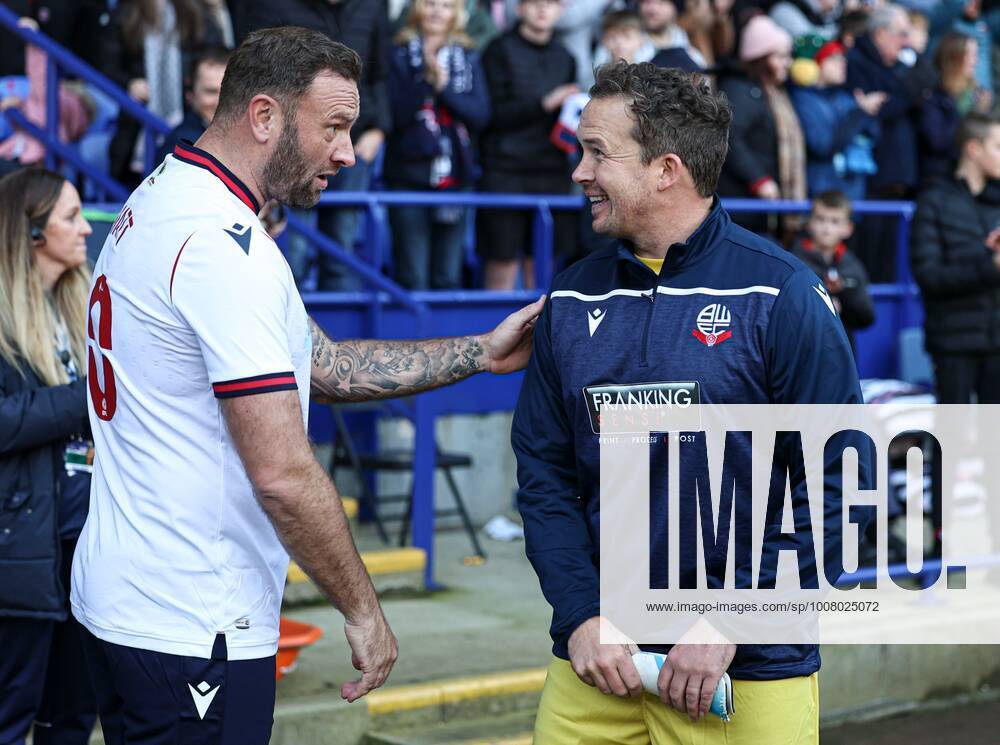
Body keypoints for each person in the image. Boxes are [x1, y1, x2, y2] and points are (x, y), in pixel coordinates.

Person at [70, 27, 544, 745]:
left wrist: (478, 351)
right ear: (264, 117)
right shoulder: (221, 248)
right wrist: (364, 609)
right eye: (334, 127)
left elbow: (321, 364)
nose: (348, 152)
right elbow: (285, 475)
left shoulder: (170, 193)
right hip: (192, 620)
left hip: (130, 599)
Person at [512, 60, 864, 745]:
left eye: (597, 152)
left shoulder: (780, 294)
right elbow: (544, 476)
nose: (579, 171)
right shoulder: (571, 296)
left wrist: (730, 619)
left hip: (746, 669)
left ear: (665, 168)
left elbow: (839, 489)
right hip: (599, 665)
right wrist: (580, 613)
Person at [0, 169, 97, 745]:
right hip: (24, 550)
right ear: (31, 232)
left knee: (71, 719)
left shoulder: (81, 304)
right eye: (70, 217)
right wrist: (89, 395)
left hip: (86, 545)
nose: (86, 228)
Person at [235, 0, 393, 291]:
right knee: (291, 250)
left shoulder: (371, 5)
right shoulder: (272, 6)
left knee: (342, 248)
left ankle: (337, 332)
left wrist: (379, 129)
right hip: (295, 147)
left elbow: (382, 72)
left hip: (357, 143)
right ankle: (287, 323)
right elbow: (256, 74)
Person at [385, 0, 491, 290]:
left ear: (456, 14)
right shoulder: (397, 52)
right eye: (430, 3)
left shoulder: (468, 56)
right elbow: (393, 115)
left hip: (455, 176)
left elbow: (480, 115)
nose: (436, 11)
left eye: (446, 5)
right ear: (417, 8)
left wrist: (443, 89)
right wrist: (425, 83)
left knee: (447, 277)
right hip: (408, 175)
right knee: (412, 277)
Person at [477, 0, 578, 290]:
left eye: (551, 3)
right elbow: (491, 115)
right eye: (534, 3)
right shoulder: (498, 49)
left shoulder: (565, 57)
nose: (543, 9)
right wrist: (546, 103)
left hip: (552, 171)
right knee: (501, 262)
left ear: (562, 10)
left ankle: (539, 336)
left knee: (542, 265)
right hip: (504, 171)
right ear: (519, 9)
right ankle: (492, 335)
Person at [911, 112, 1000, 405]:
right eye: (998, 146)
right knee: (950, 443)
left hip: (996, 343)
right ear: (973, 149)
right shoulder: (933, 201)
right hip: (952, 343)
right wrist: (990, 264)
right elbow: (929, 276)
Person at [99, 0, 231, 186]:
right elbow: (107, 63)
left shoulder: (198, 12)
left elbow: (213, 59)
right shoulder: (127, 11)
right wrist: (129, 83)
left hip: (190, 116)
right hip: (137, 129)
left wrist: (196, 86)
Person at [846, 4, 919, 281]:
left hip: (897, 182)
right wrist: (910, 91)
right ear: (880, 33)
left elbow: (892, 102)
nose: (907, 42)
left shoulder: (897, 67)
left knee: (891, 266)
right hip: (872, 182)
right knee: (871, 267)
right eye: (901, 34)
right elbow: (883, 111)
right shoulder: (857, 61)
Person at [718, 14, 806, 238]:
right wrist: (760, 180)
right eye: (781, 56)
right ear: (762, 57)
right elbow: (730, 137)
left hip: (758, 207)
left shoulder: (773, 93)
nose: (788, 63)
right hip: (741, 205)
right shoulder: (740, 91)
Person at [790, 39, 884, 200]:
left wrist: (867, 114)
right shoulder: (802, 99)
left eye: (842, 58)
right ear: (813, 65)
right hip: (822, 193)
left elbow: (874, 136)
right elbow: (823, 145)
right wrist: (860, 113)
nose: (843, 63)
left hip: (851, 192)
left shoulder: (844, 97)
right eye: (834, 58)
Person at [791, 190, 875, 353]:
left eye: (835, 221)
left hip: (843, 352)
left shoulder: (852, 264)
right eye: (820, 219)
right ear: (809, 222)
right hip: (803, 350)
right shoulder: (794, 261)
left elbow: (867, 316)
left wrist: (844, 293)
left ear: (848, 228)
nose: (826, 228)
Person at [917, 32, 989, 187]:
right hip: (939, 179)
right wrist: (970, 115)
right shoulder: (932, 96)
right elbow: (937, 140)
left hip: (970, 179)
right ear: (955, 58)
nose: (975, 61)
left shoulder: (976, 95)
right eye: (971, 55)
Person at [154, 47, 231, 164]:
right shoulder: (182, 148)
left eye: (228, 91)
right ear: (190, 94)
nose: (220, 102)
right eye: (210, 92)